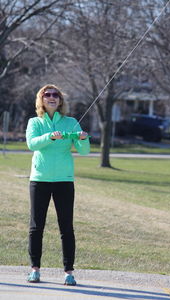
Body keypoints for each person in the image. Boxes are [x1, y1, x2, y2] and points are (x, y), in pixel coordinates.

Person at [26, 84, 90, 285]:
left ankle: (69, 272)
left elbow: (84, 151)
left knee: (66, 227)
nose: (52, 97)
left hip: (64, 180)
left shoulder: (71, 122)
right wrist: (50, 137)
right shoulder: (35, 122)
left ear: (60, 100)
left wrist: (83, 139)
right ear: (41, 99)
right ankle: (35, 269)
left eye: (56, 95)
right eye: (47, 95)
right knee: (37, 227)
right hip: (39, 180)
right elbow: (32, 144)